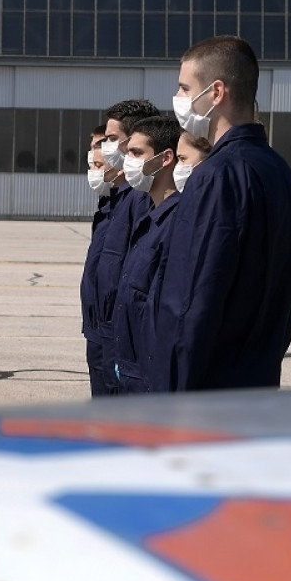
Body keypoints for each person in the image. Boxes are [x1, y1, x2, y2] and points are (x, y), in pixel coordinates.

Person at [154, 35, 291, 390]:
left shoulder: (216, 176)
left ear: (216, 92)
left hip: (208, 390)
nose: (178, 99)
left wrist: (171, 392)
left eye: (184, 87)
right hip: (259, 381)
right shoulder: (281, 174)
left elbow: (191, 301)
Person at [80, 100, 161, 397]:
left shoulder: (139, 199)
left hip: (119, 333)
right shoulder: (113, 199)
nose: (104, 147)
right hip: (100, 327)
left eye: (112, 139)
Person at [110, 115, 183, 393]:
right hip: (130, 364)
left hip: (150, 372)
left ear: (165, 158)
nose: (129, 161)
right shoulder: (148, 217)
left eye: (137, 153)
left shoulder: (176, 221)